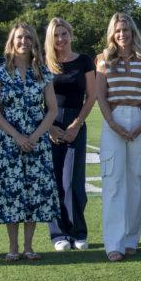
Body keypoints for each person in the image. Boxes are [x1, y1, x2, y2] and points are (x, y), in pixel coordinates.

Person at [0, 22, 61, 262]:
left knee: (32, 193)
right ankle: (12, 247)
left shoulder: (42, 71)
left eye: (28, 38)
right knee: (12, 193)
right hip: (8, 142)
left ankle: (29, 247)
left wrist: (35, 136)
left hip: (37, 142)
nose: (24, 42)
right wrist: (17, 136)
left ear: (34, 43)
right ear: (11, 41)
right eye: (19, 38)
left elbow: (51, 110)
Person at [96, 12, 141, 261]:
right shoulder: (102, 60)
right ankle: (114, 244)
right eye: (118, 30)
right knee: (113, 184)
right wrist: (114, 124)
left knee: (136, 183)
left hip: (139, 119)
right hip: (114, 120)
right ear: (112, 33)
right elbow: (100, 96)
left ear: (133, 33)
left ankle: (131, 239)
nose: (122, 35)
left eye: (126, 30)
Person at [44, 18, 97, 251]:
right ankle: (58, 235)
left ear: (71, 34)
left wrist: (77, 124)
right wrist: (48, 128)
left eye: (64, 34)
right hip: (50, 124)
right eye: (56, 35)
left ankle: (78, 232)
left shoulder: (84, 61)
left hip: (76, 122)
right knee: (54, 180)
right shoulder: (43, 63)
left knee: (72, 181)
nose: (60, 39)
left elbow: (92, 96)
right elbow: (37, 99)